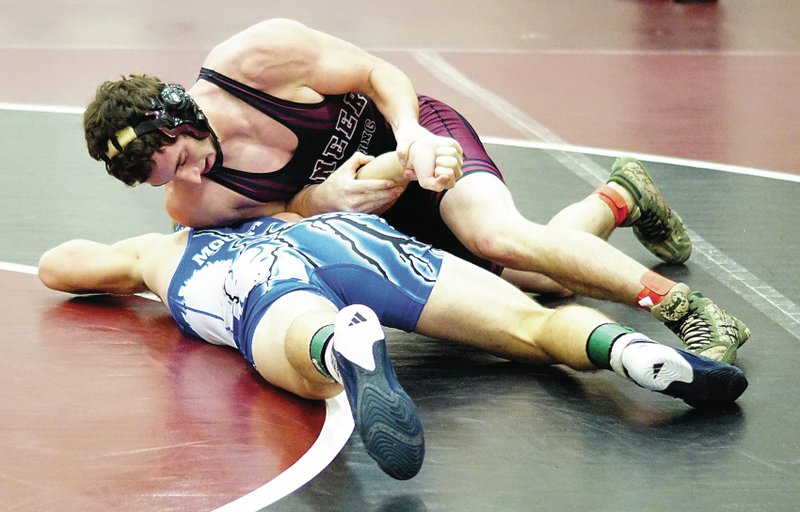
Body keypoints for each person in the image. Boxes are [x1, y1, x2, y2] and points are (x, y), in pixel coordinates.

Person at [82, 18, 749, 363]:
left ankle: (689, 311)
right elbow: (283, 215)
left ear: (181, 115)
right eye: (168, 181)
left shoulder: (258, 59)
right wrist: (322, 202)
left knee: (498, 235)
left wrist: (408, 137)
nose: (191, 179)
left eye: (185, 160)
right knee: (530, 279)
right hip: (373, 206)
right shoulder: (192, 201)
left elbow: (376, 73)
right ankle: (621, 197)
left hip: (418, 141)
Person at [38, 211, 747, 480]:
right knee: (531, 325)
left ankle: (337, 350)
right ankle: (626, 352)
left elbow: (58, 268)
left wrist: (137, 262)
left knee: (296, 350)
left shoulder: (165, 249)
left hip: (250, 279)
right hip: (345, 234)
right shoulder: (302, 195)